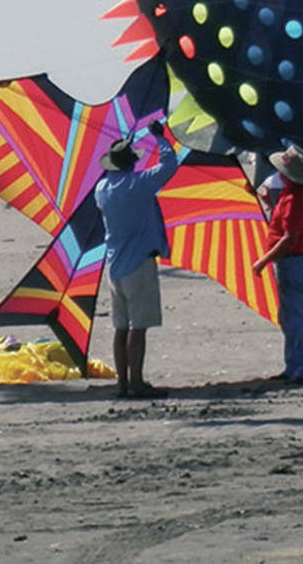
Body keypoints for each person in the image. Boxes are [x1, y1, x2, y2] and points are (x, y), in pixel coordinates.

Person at [94, 119, 178, 399]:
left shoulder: (102, 189)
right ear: (131, 164)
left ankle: (122, 384)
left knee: (120, 326)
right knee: (137, 327)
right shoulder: (138, 185)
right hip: (138, 263)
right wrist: (160, 137)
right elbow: (169, 165)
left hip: (114, 265)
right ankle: (137, 382)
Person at [252, 144, 303, 383]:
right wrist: (270, 206)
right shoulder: (293, 194)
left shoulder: (296, 197)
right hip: (293, 260)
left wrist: (262, 261)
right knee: (289, 313)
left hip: (293, 260)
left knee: (294, 314)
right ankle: (295, 365)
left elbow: (290, 238)